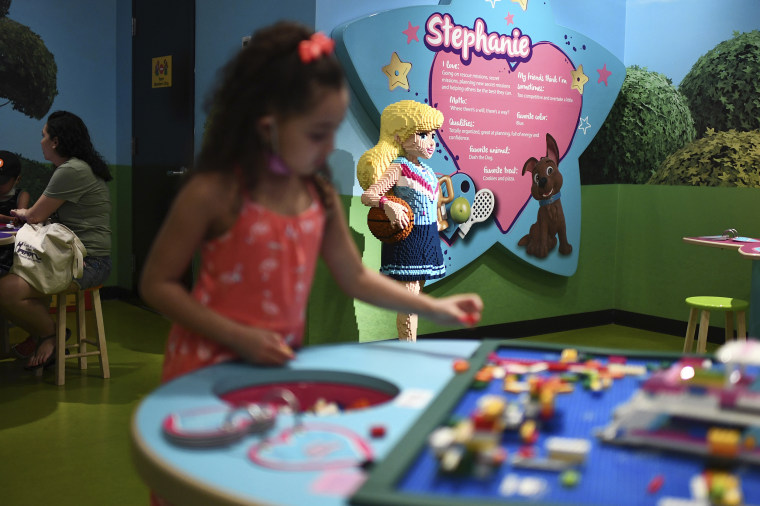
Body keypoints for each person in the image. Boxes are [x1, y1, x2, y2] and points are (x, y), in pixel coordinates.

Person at [139, 22, 483, 387]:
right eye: (315, 132)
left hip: (280, 361)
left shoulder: (318, 196)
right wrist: (239, 337)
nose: (325, 147)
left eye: (331, 130)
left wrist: (434, 307)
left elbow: (355, 277)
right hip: (211, 366)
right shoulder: (212, 192)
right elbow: (157, 284)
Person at [0, 111, 112, 367]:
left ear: (56, 142)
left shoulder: (72, 170)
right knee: (17, 275)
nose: (40, 141)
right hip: (70, 255)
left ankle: (52, 335)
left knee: (5, 291)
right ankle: (42, 335)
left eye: (43, 136)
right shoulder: (75, 167)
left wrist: (22, 213)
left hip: (87, 262)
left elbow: (37, 215)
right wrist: (28, 215)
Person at [357, 100, 448, 341]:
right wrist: (388, 205)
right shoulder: (399, 167)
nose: (431, 142)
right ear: (400, 137)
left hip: (427, 237)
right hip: (407, 239)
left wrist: (439, 219)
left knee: (416, 296)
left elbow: (433, 200)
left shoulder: (428, 171)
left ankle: (410, 347)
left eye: (432, 135)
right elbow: (369, 196)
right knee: (409, 303)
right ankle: (409, 350)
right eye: (423, 135)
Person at [0, 150, 30, 274]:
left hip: (10, 247)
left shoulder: (21, 196)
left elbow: (21, 219)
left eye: (2, 182)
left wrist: (6, 219)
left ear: (17, 180)